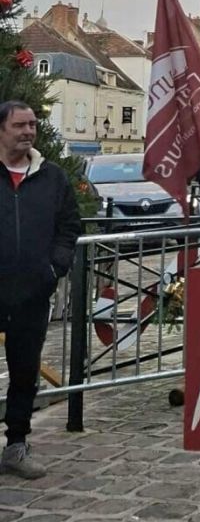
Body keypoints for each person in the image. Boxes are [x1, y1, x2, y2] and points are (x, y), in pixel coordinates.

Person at [0, 100, 81, 479]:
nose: (28, 131)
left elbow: (69, 225)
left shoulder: (52, 177)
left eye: (32, 124)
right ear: (2, 130)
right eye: (19, 125)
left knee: (24, 371)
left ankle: (16, 445)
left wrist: (54, 267)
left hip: (32, 290)